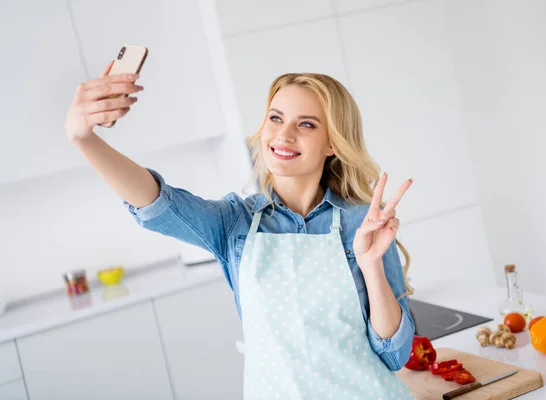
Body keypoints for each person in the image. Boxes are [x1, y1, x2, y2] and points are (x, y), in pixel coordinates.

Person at [65, 63, 416, 399]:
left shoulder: (363, 223)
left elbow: (395, 355)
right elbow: (158, 203)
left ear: (333, 143)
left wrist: (372, 266)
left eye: (306, 124)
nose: (284, 134)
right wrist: (84, 140)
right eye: (275, 118)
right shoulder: (235, 223)